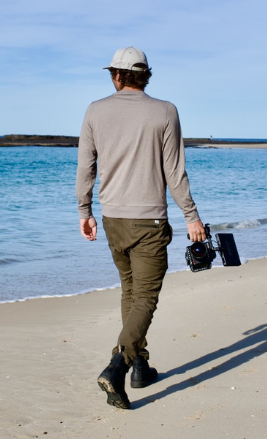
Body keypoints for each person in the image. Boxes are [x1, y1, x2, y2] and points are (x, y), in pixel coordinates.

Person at [76, 46, 207, 410]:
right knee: (145, 298)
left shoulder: (94, 110)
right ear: (145, 75)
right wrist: (191, 215)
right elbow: (174, 172)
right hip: (149, 220)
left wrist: (84, 209)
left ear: (117, 75)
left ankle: (141, 366)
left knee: (131, 292)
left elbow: (86, 166)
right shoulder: (165, 111)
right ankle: (118, 367)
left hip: (113, 219)